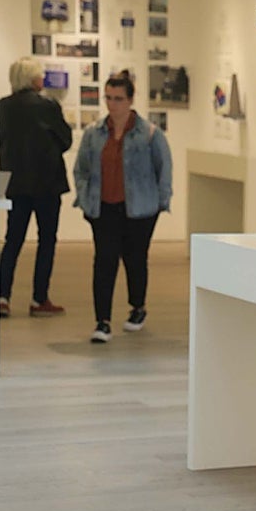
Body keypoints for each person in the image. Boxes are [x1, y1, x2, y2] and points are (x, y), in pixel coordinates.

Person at [72, 73, 172, 344]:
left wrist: (160, 203)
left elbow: (164, 170)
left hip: (139, 210)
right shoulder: (94, 134)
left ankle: (137, 307)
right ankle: (102, 321)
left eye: (118, 99)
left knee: (135, 259)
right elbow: (80, 169)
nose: (112, 104)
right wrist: (85, 197)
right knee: (104, 262)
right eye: (108, 98)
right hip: (103, 208)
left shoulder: (149, 134)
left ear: (130, 100)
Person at [0, 57, 73, 319]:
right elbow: (65, 140)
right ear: (33, 79)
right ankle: (39, 299)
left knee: (12, 240)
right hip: (46, 183)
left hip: (12, 183)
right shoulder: (48, 106)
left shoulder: (2, 107)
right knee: (46, 241)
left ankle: (2, 296)